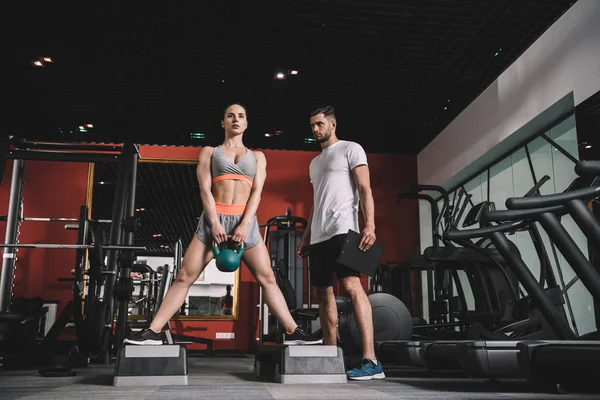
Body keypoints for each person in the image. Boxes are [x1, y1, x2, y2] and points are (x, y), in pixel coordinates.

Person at [124, 103, 322, 346]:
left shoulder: (258, 156)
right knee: (185, 276)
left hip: (244, 221)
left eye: (241, 116)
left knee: (268, 278)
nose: (236, 120)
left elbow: (257, 192)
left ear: (246, 123)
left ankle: (293, 332)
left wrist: (245, 224)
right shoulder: (209, 151)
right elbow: (205, 190)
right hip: (213, 220)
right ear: (223, 122)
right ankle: (153, 332)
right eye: (230, 116)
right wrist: (215, 223)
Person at [296, 105, 385, 380]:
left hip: (344, 229)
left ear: (332, 124)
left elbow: (364, 188)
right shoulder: (314, 162)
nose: (315, 129)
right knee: (322, 294)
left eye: (319, 124)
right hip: (320, 236)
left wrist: (369, 224)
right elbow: (316, 203)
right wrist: (306, 236)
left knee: (351, 287)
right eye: (312, 125)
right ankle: (330, 356)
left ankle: (371, 360)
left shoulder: (351, 148)